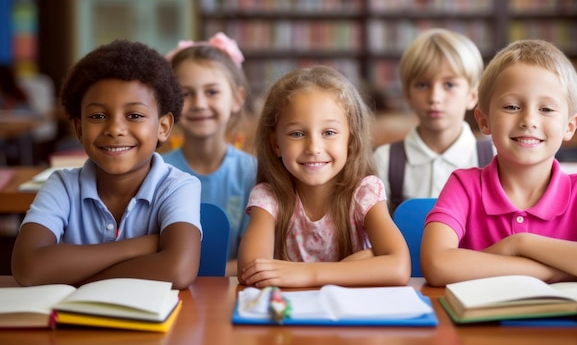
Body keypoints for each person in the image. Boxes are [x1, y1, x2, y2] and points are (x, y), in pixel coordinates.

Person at [420, 39, 577, 287]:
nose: (529, 119)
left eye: (547, 109)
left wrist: (521, 244)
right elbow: (436, 265)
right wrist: (552, 271)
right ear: (484, 121)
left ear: (569, 126)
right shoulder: (464, 185)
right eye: (511, 106)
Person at [11, 40, 202, 289]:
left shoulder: (178, 187)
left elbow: (178, 270)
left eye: (134, 115)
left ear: (163, 127)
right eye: (98, 116)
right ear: (80, 129)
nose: (114, 129)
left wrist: (73, 275)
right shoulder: (62, 185)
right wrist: (141, 245)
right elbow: (28, 267)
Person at [238, 65, 411, 288]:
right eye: (297, 134)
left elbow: (398, 267)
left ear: (350, 140)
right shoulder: (268, 196)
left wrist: (308, 274)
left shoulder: (364, 192)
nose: (314, 147)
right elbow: (252, 271)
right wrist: (360, 263)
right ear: (276, 144)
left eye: (329, 133)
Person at [162, 32, 257, 276]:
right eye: (186, 94)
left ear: (237, 99)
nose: (200, 104)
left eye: (212, 92)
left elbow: (256, 260)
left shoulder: (253, 173)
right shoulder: (157, 172)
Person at [373, 28, 491, 213]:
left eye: (449, 85)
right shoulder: (384, 160)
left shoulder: (494, 157)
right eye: (422, 85)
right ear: (408, 95)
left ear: (472, 95)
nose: (435, 97)